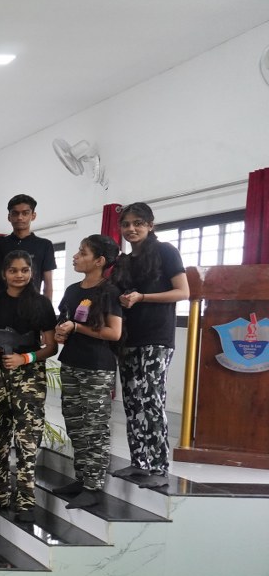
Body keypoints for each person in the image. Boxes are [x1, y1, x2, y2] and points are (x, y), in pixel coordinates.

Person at [112, 202, 189, 489]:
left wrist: (142, 297)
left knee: (151, 401)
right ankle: (138, 463)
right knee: (132, 403)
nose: (131, 228)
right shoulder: (123, 261)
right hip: (128, 339)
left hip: (157, 338)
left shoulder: (166, 251)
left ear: (150, 225)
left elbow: (183, 291)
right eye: (126, 224)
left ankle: (159, 467)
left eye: (138, 223)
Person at [0, 250, 57, 523]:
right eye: (13, 270)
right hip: (0, 374)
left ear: (31, 272)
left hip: (29, 375)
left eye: (24, 270)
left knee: (27, 438)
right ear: (4, 274)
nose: (19, 275)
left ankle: (26, 500)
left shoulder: (42, 304)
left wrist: (25, 358)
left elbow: (51, 347)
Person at [54, 235, 124, 509]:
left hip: (97, 367)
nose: (76, 256)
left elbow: (114, 333)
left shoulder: (110, 291)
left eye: (82, 253)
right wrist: (62, 331)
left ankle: (93, 487)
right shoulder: (73, 290)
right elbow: (65, 319)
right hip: (71, 362)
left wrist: (77, 328)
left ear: (99, 261)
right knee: (74, 423)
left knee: (95, 427)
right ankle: (82, 478)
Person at [0, 195, 56, 299]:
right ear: (9, 217)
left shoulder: (44, 245)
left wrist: (47, 308)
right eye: (15, 213)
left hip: (31, 304)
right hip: (0, 305)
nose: (20, 217)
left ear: (33, 216)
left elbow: (48, 285)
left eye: (25, 213)